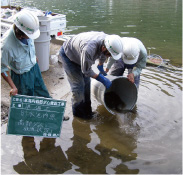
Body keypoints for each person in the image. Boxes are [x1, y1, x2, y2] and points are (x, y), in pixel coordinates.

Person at [59, 32, 123, 119]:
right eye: (109, 54)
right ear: (104, 48)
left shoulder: (108, 41)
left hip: (81, 55)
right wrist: (101, 79)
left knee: (87, 84)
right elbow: (86, 71)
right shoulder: (89, 49)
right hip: (69, 55)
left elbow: (104, 54)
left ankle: (88, 112)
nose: (109, 56)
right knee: (78, 86)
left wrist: (100, 65)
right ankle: (79, 116)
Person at [1, 10, 51, 100]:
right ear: (20, 34)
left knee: (42, 93)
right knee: (26, 100)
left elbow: (30, 45)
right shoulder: (6, 46)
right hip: (21, 76)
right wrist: (13, 87)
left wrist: (33, 57)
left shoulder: (28, 31)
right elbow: (2, 68)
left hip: (34, 68)